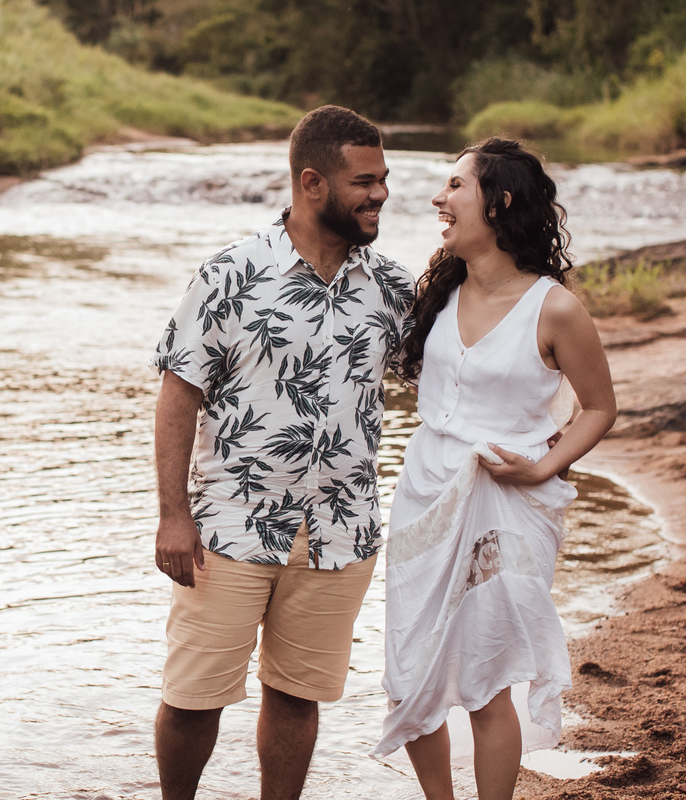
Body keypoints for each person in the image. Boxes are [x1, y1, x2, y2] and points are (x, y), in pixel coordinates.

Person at [149, 105, 415, 800]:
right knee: (193, 697)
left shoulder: (390, 288)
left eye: (383, 178)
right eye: (364, 181)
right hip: (231, 529)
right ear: (312, 183)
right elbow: (178, 398)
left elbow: (456, 368)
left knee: (298, 695)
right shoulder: (229, 276)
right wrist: (172, 516)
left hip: (342, 532)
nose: (380, 193)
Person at [372, 138, 617, 800]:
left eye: (455, 186)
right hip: (425, 495)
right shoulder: (438, 290)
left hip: (508, 509)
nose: (438, 199)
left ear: (498, 202)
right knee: (408, 668)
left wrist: (545, 468)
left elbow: (599, 407)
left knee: (485, 675)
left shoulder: (554, 307)